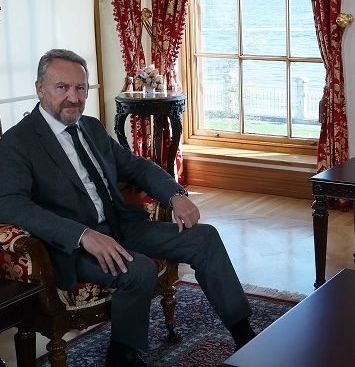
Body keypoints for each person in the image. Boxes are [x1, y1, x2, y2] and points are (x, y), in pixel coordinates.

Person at [0, 49, 256, 367]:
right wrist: (82, 235)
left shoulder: (91, 128)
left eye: (80, 88)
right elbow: (10, 204)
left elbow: (135, 166)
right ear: (40, 89)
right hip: (72, 247)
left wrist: (175, 195)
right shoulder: (17, 142)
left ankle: (246, 338)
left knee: (204, 238)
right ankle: (122, 355)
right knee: (139, 269)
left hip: (121, 225)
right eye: (62, 87)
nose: (73, 97)